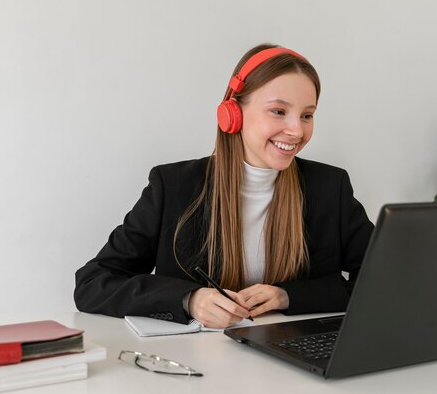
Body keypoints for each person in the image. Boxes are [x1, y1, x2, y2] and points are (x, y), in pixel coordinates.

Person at [74, 44, 374, 329]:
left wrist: (289, 296)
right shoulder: (173, 186)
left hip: (293, 362)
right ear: (233, 114)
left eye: (307, 115)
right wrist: (188, 299)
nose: (297, 130)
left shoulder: (330, 187)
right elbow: (93, 283)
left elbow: (382, 280)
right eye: (279, 111)